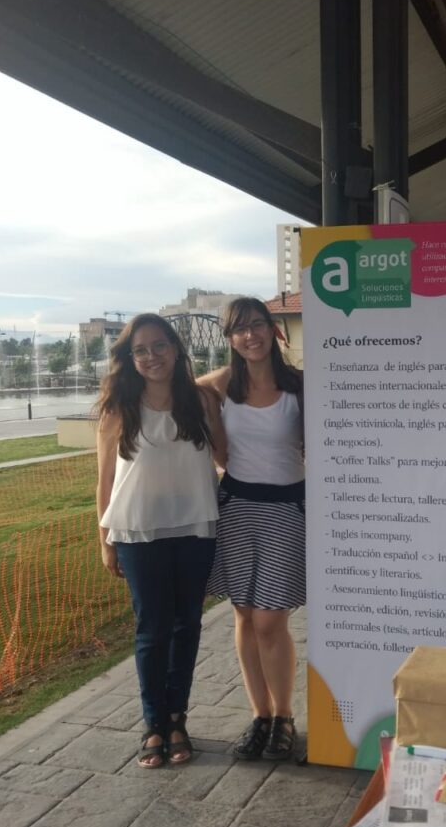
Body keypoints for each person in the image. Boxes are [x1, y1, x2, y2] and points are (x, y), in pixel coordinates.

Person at [96, 314, 225, 768]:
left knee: (186, 625)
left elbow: (224, 454)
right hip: (137, 531)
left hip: (194, 527)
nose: (152, 356)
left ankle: (176, 718)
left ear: (175, 347)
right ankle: (153, 723)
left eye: (159, 346)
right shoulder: (119, 406)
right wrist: (105, 539)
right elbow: (106, 478)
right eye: (141, 350)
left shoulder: (201, 400)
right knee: (152, 629)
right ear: (130, 359)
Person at [200, 297, 304, 762]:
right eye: (238, 330)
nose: (249, 336)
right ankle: (260, 716)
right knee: (243, 614)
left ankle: (284, 716)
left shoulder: (301, 385)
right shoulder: (219, 387)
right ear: (229, 339)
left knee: (269, 619)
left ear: (274, 331)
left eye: (257, 325)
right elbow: (175, 394)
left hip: (287, 508)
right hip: (238, 506)